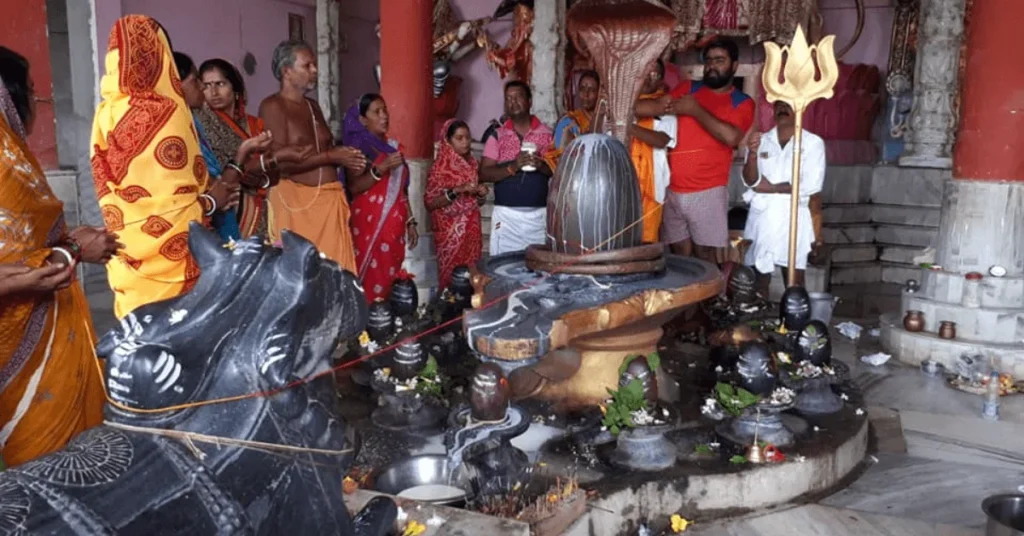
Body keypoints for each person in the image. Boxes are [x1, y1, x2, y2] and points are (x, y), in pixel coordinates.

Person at [0, 46, 120, 466]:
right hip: (20, 350)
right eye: (32, 90)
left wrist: (70, 243)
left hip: (51, 328)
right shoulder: (5, 166)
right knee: (44, 471)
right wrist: (72, 249)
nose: (38, 100)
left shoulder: (14, 160)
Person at [91, 15, 238, 319]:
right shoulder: (169, 112)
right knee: (179, 342)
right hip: (172, 264)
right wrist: (212, 201)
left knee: (138, 343)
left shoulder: (105, 114)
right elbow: (177, 203)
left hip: (125, 254)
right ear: (161, 55)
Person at [636, 39, 754, 263]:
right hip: (672, 188)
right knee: (680, 258)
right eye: (708, 60)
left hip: (707, 191)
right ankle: (691, 299)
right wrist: (621, 110)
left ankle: (709, 299)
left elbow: (730, 137)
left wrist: (695, 110)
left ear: (735, 65)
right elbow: (658, 106)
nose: (712, 65)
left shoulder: (742, 101)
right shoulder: (689, 87)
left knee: (705, 258)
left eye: (720, 60)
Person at [259, 40, 365, 272]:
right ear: (287, 72)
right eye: (307, 66)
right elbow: (282, 164)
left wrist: (347, 158)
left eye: (314, 65)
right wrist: (332, 157)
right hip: (295, 205)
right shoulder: (273, 106)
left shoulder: (312, 106)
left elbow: (322, 148)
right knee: (300, 277)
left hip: (327, 202)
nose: (315, 71)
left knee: (337, 276)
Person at [741, 101, 826, 294]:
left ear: (800, 108)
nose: (782, 109)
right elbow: (750, 180)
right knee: (758, 279)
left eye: (788, 104)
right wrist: (753, 155)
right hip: (763, 216)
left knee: (794, 281)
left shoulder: (813, 143)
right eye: (778, 105)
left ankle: (792, 322)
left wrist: (771, 188)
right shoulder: (760, 140)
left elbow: (811, 185)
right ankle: (758, 320)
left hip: (793, 215)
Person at [342, 94, 419, 301]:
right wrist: (382, 168)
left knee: (389, 283)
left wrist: (411, 221)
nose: (384, 116)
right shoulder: (358, 147)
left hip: (394, 232)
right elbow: (354, 187)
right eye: (377, 112)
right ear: (363, 119)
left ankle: (384, 322)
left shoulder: (392, 146)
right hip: (368, 227)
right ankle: (366, 326)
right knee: (368, 282)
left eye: (385, 110)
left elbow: (401, 189)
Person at [197, 58, 273, 239]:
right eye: (206, 86)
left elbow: (271, 167)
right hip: (227, 206)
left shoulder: (254, 125)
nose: (213, 92)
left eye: (220, 84)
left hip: (259, 204)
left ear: (235, 88)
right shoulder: (202, 123)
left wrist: (263, 179)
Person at [479, 81, 554, 255]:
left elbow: (557, 171)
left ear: (529, 100)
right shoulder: (497, 135)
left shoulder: (548, 135)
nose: (513, 102)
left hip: (539, 217)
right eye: (508, 99)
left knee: (536, 271)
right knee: (502, 269)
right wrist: (513, 166)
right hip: (506, 218)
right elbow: (484, 172)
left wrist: (541, 166)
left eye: (518, 96)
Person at [426, 119, 488, 288]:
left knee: (471, 276)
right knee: (451, 279)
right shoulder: (440, 167)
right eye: (459, 138)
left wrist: (481, 194)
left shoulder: (473, 164)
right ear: (448, 141)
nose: (465, 142)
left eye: (468, 138)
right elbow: (431, 203)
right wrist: (457, 190)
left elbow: (476, 202)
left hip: (471, 231)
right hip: (449, 233)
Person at [628, 59, 677, 243]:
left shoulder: (666, 104)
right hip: (624, 180)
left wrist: (628, 127)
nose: (649, 77)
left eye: (654, 73)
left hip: (652, 185)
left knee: (647, 239)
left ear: (661, 79)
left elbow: (662, 140)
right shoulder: (624, 102)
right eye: (644, 72)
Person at [551, 70, 600, 161]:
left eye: (592, 90)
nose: (586, 94)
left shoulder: (608, 120)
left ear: (600, 93)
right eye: (582, 89)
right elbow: (557, 157)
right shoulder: (567, 121)